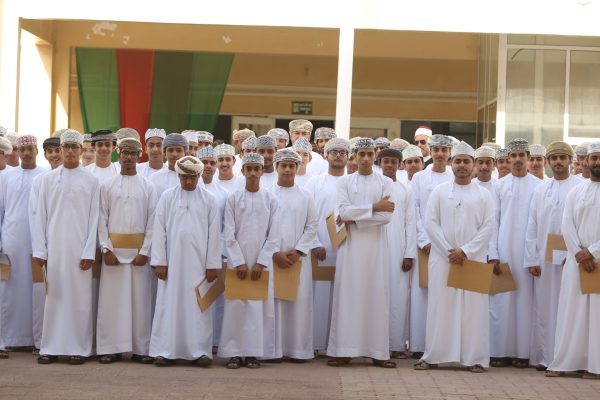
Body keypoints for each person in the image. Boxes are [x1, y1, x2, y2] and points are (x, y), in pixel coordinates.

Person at [414, 141, 494, 373]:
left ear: (473, 165)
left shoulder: (484, 195)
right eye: (458, 161)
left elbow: (488, 226)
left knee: (474, 310)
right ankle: (434, 355)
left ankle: (475, 358)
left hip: (473, 259)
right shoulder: (439, 192)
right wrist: (450, 250)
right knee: (441, 307)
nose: (462, 165)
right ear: (452, 163)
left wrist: (466, 251)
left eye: (466, 161)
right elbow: (430, 223)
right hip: (443, 259)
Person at [326, 138, 396, 368]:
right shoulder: (345, 182)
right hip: (350, 248)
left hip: (376, 249)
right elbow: (343, 212)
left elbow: (386, 217)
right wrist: (374, 207)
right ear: (354, 156)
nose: (365, 159)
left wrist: (355, 219)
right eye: (361, 154)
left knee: (376, 297)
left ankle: (378, 352)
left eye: (369, 154)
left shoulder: (386, 182)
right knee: (348, 296)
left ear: (375, 156)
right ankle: (343, 350)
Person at [32, 129, 100, 365]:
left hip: (80, 250)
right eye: (66, 147)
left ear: (81, 150)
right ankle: (50, 347)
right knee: (54, 298)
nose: (70, 151)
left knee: (80, 300)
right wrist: (40, 250)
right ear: (60, 150)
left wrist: (89, 252)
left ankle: (78, 348)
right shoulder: (47, 180)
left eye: (74, 147)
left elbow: (94, 219)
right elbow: (39, 216)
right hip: (55, 250)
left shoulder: (92, 181)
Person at [149, 156, 221, 366]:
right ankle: (165, 351)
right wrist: (160, 261)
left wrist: (212, 265)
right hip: (171, 265)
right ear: (178, 176)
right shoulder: (167, 197)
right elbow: (159, 231)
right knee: (168, 306)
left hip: (199, 266)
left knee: (198, 307)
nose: (189, 181)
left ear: (199, 176)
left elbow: (214, 235)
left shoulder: (209, 200)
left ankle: (200, 352)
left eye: (192, 177)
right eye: (184, 177)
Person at [96, 137, 157, 365]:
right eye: (125, 152)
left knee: (139, 302)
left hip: (138, 256)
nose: (129, 157)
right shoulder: (107, 186)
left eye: (133, 153)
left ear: (139, 155)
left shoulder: (148, 186)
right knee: (112, 302)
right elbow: (101, 219)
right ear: (118, 154)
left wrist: (145, 251)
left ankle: (140, 348)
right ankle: (110, 348)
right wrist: (106, 248)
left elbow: (153, 221)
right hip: (113, 255)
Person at [524, 142, 582, 371]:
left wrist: (574, 252)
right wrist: (532, 259)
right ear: (548, 162)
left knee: (570, 308)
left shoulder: (579, 187)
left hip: (573, 258)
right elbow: (532, 226)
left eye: (562, 158)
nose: (558, 161)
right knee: (545, 307)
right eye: (554, 158)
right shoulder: (540, 189)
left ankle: (570, 358)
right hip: (544, 260)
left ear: (570, 161)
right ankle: (546, 357)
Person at [219, 153, 279, 369]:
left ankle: (253, 353)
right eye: (249, 169)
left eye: (256, 169)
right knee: (236, 306)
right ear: (243, 171)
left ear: (262, 171)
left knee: (257, 308)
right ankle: (234, 353)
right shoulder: (233, 199)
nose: (253, 173)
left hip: (261, 264)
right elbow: (228, 233)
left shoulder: (271, 199)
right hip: (238, 263)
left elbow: (274, 235)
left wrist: (262, 262)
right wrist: (238, 261)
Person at [546, 141, 600, 379]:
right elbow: (566, 225)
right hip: (576, 263)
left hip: (597, 262)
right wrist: (579, 253)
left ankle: (595, 366)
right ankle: (565, 362)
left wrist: (593, 252)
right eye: (594, 158)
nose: (597, 162)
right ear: (586, 161)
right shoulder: (576, 191)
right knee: (572, 314)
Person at [488, 138, 542, 369]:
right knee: (501, 301)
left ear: (528, 158)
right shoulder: (498, 186)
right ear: (508, 159)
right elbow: (493, 221)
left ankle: (523, 353)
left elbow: (539, 223)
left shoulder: (539, 186)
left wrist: (534, 256)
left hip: (528, 255)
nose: (518, 160)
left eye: (522, 156)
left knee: (525, 302)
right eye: (514, 156)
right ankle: (499, 351)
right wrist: (493, 253)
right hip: (503, 250)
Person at [270, 148, 318, 362]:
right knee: (275, 305)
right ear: (276, 167)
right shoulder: (267, 194)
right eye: (284, 165)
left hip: (298, 259)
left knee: (299, 304)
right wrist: (274, 252)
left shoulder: (306, 195)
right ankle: (273, 350)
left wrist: (298, 251)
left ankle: (298, 350)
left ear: (298, 168)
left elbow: (312, 226)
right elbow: (262, 227)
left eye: (292, 166)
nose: (288, 170)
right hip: (273, 259)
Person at [409, 134, 454, 358]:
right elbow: (415, 211)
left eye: (444, 150)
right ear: (431, 152)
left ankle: (444, 345)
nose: (440, 154)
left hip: (450, 247)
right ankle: (419, 345)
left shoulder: (454, 176)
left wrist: (447, 243)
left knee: (446, 295)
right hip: (425, 245)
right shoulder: (419, 178)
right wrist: (424, 239)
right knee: (423, 295)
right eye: (436, 150)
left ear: (450, 153)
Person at [305, 138, 350, 353]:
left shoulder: (352, 182)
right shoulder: (315, 182)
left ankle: (338, 345)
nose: (338, 155)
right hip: (321, 248)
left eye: (342, 152)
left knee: (343, 297)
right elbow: (309, 215)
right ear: (326, 155)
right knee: (319, 297)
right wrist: (314, 243)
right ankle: (316, 344)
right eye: (334, 152)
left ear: (348, 157)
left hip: (346, 248)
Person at [0, 135, 44, 351]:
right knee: (9, 289)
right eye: (22, 149)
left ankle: (35, 338)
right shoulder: (6, 176)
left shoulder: (46, 175)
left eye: (30, 149)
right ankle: (9, 339)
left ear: (36, 151)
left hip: (36, 242)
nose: (26, 153)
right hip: (11, 241)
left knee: (36, 289)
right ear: (16, 151)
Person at [377, 148, 416, 359]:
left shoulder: (405, 190)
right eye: (386, 161)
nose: (390, 165)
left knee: (398, 298)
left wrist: (409, 253)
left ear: (400, 165)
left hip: (399, 249)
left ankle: (396, 345)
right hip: (375, 248)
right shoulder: (373, 186)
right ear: (379, 164)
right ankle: (375, 345)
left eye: (394, 162)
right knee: (376, 296)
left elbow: (411, 223)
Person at [28, 136, 63, 354]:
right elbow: (35, 216)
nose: (54, 155)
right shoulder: (40, 181)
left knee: (64, 295)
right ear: (45, 155)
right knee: (42, 295)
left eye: (57, 150)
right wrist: (40, 249)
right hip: (44, 248)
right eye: (50, 152)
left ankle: (63, 340)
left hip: (66, 247)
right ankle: (41, 342)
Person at [198, 146, 229, 348]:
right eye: (204, 162)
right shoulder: (189, 191)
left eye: (211, 163)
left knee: (215, 299)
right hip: (194, 252)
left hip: (216, 253)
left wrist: (219, 254)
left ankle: (214, 341)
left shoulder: (224, 194)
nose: (208, 166)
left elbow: (226, 227)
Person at [149, 133, 188, 198]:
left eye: (179, 150)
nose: (174, 154)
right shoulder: (154, 178)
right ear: (164, 154)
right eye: (170, 150)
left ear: (185, 154)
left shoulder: (194, 178)